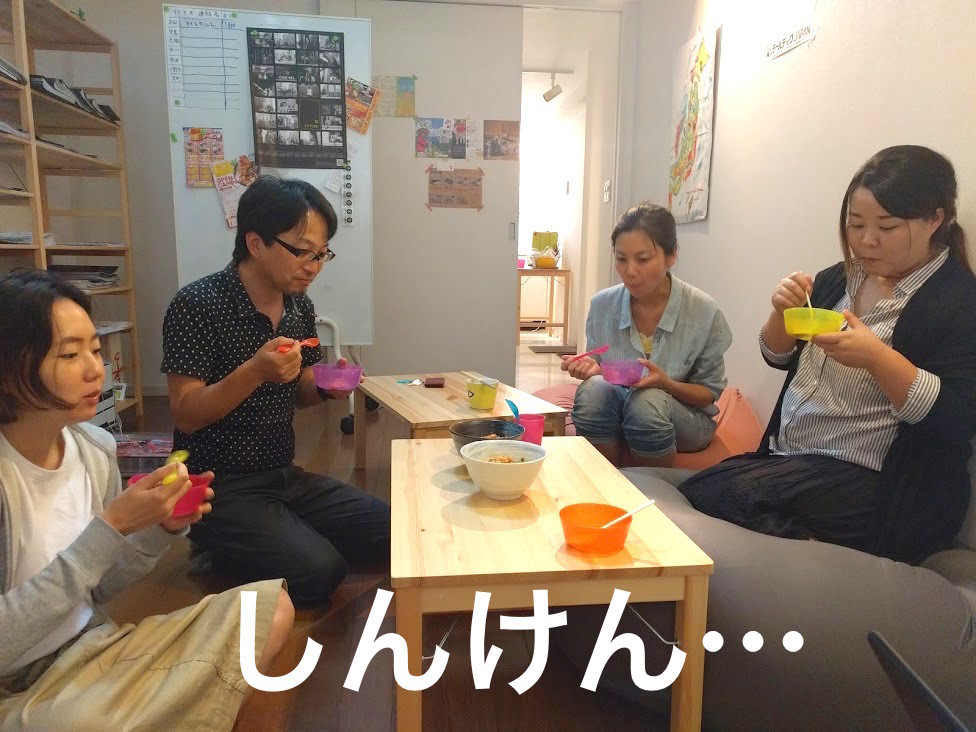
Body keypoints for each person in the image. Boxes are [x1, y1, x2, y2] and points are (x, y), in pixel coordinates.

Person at [0, 270, 293, 729]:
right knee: (86, 721)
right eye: (70, 354)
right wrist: (111, 528)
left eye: (95, 349)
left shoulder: (94, 449)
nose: (95, 369)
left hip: (94, 652)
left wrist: (159, 528)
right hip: (16, 685)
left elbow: (99, 589)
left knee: (270, 609)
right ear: (9, 372)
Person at [680, 145, 976, 563]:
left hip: (878, 485)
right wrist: (781, 313)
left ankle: (811, 553)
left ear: (935, 220)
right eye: (855, 224)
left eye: (887, 227)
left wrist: (877, 358)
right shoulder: (839, 280)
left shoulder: (958, 301)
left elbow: (955, 417)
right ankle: (803, 543)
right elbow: (777, 356)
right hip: (793, 459)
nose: (866, 241)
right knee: (698, 491)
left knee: (715, 493)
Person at [162, 176, 390, 608]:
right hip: (217, 486)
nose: (314, 266)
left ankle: (278, 533)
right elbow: (186, 413)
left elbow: (300, 391)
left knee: (391, 529)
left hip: (282, 476)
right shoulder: (198, 304)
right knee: (321, 571)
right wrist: (253, 372)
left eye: (321, 254)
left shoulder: (299, 306)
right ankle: (216, 542)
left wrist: (326, 386)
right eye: (302, 251)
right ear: (256, 243)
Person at [561, 202, 732, 467]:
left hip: (685, 419)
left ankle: (652, 486)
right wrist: (590, 369)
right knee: (592, 391)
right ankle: (604, 481)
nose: (630, 271)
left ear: (671, 255)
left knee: (646, 403)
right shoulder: (602, 305)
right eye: (621, 259)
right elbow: (598, 365)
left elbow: (708, 393)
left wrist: (666, 384)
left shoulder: (704, 311)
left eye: (643, 259)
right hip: (618, 408)